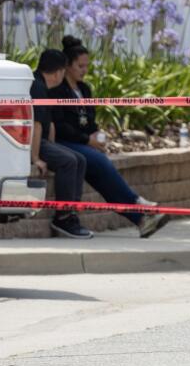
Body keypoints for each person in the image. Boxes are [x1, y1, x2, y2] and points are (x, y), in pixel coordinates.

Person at [51, 37, 169, 239]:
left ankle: (141, 220)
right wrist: (87, 140)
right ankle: (136, 202)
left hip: (85, 144)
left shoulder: (85, 90)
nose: (84, 70)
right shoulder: (57, 90)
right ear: (68, 66)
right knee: (99, 162)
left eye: (87, 65)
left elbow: (91, 121)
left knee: (102, 176)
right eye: (80, 65)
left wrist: (96, 135)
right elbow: (60, 126)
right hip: (66, 143)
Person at [30, 49, 91, 239]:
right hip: (35, 142)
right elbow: (37, 125)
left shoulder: (43, 86)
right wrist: (35, 158)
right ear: (58, 72)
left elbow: (50, 123)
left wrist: (54, 146)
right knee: (69, 161)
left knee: (80, 159)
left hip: (44, 141)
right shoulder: (37, 87)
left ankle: (72, 211)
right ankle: (63, 217)